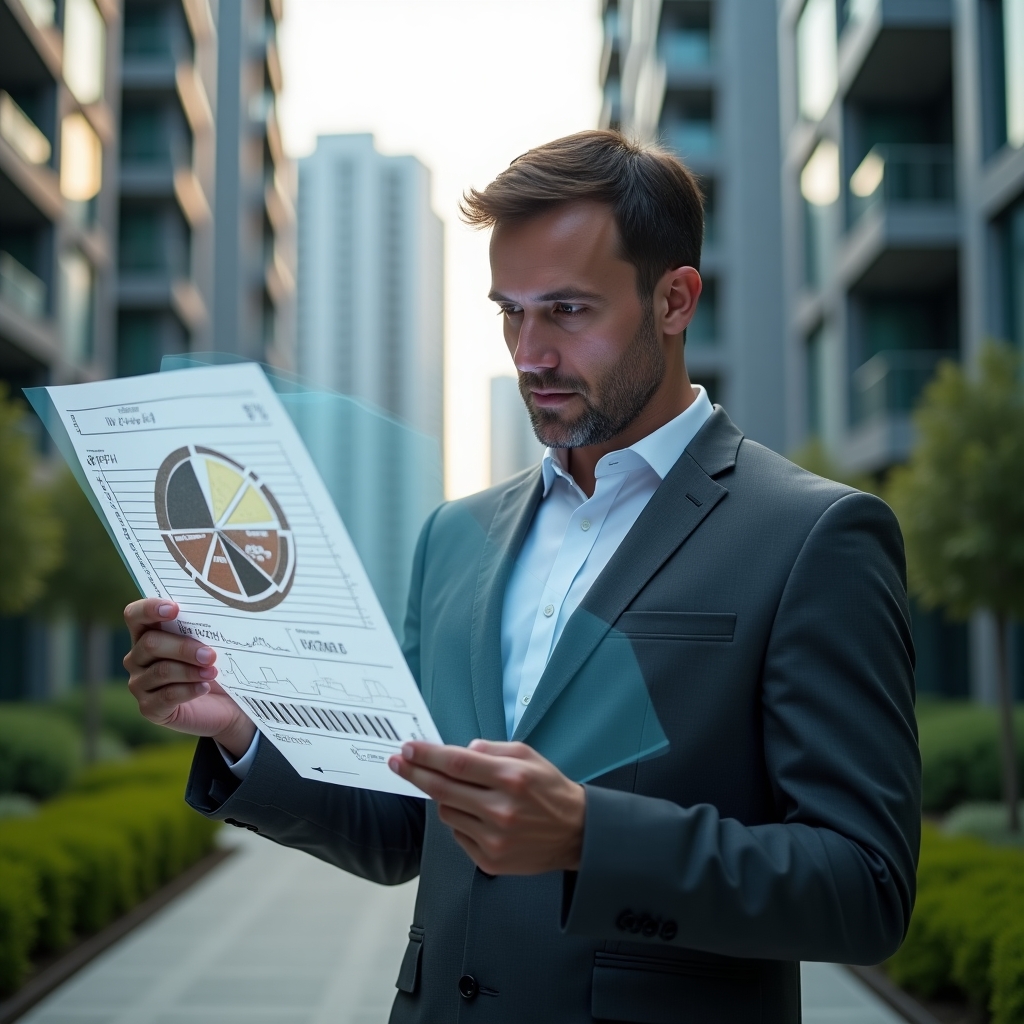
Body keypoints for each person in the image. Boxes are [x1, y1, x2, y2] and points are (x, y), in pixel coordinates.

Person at [123, 130, 920, 1024]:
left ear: (675, 299)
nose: (529, 354)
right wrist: (240, 727)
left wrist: (590, 837)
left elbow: (867, 885)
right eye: (511, 312)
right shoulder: (455, 537)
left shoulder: (814, 534)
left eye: (568, 312)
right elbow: (401, 828)